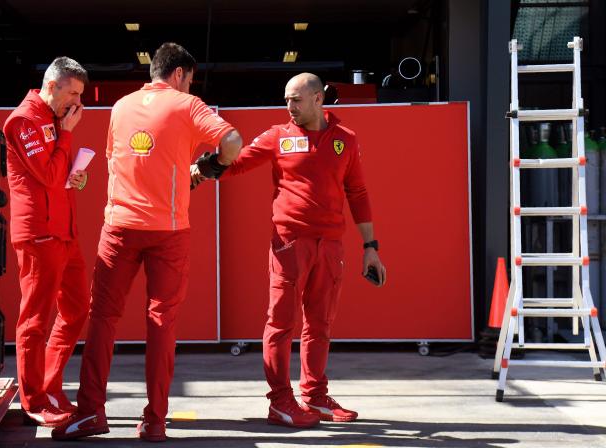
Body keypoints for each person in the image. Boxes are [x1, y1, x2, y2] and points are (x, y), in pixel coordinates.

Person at [52, 42, 242, 442]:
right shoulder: (187, 105)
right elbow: (232, 142)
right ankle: (154, 421)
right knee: (161, 323)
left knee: (102, 319)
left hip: (120, 225)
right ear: (179, 75)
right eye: (189, 81)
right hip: (169, 230)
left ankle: (90, 413)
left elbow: (115, 159)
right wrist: (211, 167)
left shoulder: (120, 107)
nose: (190, 88)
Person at [193, 73, 386, 429]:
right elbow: (237, 163)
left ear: (318, 99)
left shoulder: (345, 140)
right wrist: (206, 167)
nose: (289, 107)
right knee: (280, 323)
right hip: (289, 243)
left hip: (330, 245)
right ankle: (280, 401)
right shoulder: (278, 136)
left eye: (296, 100)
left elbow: (357, 193)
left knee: (320, 323)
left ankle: (314, 396)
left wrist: (370, 247)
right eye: (286, 100)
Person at [3, 56, 91, 427]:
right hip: (39, 233)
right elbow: (50, 176)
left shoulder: (53, 120)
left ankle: (50, 385)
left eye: (80, 95)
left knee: (76, 309)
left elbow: (58, 177)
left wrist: (77, 175)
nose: (77, 103)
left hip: (64, 232)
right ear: (52, 85)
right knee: (35, 320)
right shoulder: (24, 120)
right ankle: (34, 399)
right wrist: (68, 135)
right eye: (72, 93)